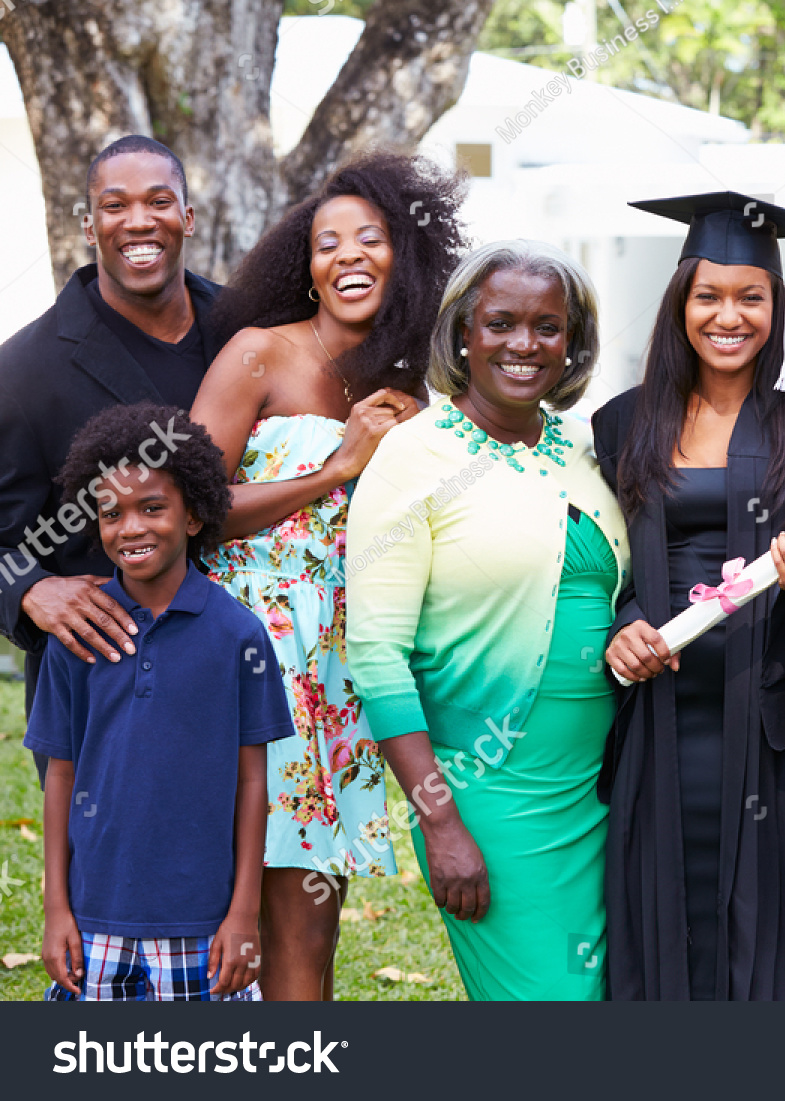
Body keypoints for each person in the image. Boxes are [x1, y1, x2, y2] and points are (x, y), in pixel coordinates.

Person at [190, 152, 467, 1001]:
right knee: (214, 918)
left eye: (370, 239)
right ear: (305, 267)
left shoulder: (415, 389)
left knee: (307, 932)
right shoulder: (258, 356)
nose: (346, 255)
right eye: (325, 243)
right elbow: (190, 506)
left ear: (406, 257)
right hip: (240, 656)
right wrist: (337, 466)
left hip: (338, 674)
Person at [594, 192, 785, 1000]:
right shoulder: (623, 423)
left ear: (777, 306)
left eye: (751, 296)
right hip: (662, 718)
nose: (728, 315)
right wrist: (624, 624)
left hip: (772, 720)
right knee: (660, 912)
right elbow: (596, 566)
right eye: (708, 295)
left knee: (774, 932)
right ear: (680, 301)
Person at [347, 240, 628, 1001]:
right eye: (500, 322)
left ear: (572, 342)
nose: (523, 344)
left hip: (600, 793)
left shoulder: (581, 452)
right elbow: (375, 653)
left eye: (547, 326)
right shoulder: (414, 455)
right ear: (463, 333)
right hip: (488, 795)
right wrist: (441, 824)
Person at [28, 403, 293, 1000]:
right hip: (94, 923)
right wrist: (55, 909)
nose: (130, 528)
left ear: (195, 515)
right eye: (111, 514)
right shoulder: (77, 636)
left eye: (153, 508)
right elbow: (60, 774)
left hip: (202, 927)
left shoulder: (238, 635)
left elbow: (253, 782)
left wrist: (244, 912)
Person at [0, 136, 226, 785]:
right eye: (114, 204)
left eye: (159, 201)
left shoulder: (245, 330)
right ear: (89, 223)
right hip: (107, 700)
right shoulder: (24, 371)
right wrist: (29, 588)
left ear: (187, 216)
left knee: (252, 884)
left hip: (249, 680)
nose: (137, 221)